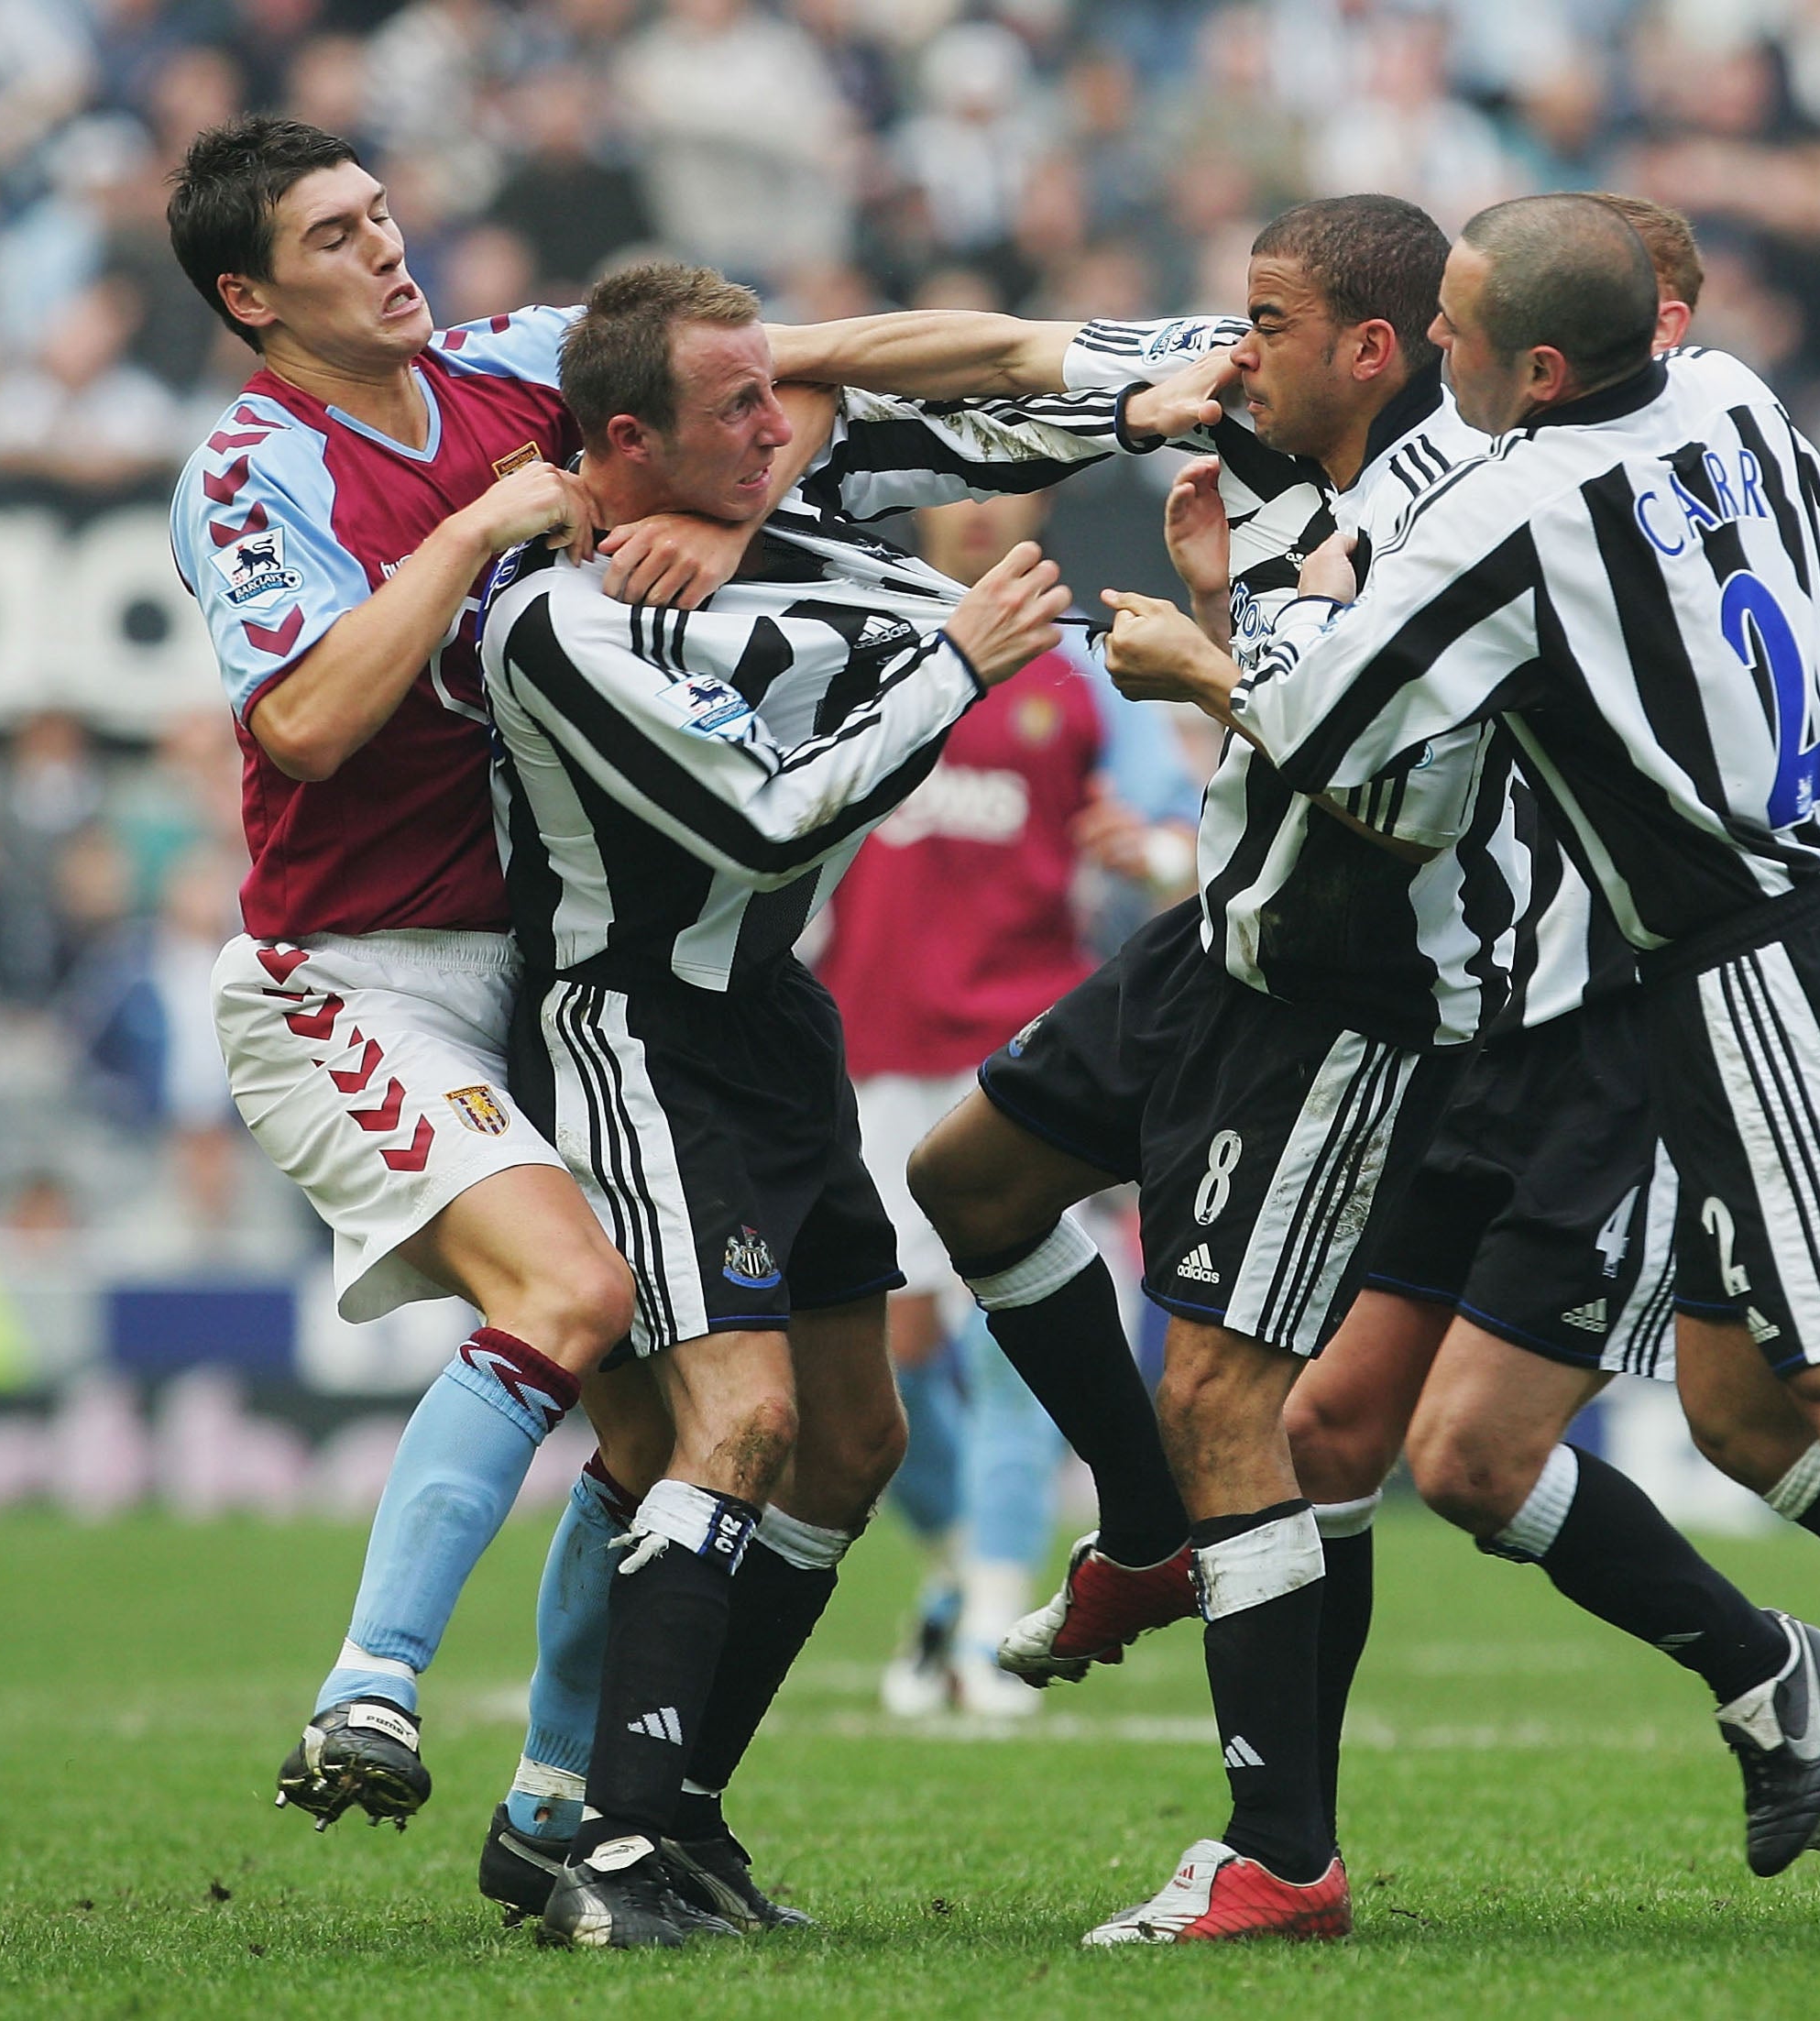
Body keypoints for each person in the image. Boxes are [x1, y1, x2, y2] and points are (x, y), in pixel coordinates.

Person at [1107, 192, 1820, 1956]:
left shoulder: (1504, 512)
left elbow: (1334, 738)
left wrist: (1205, 644)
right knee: (1749, 1411)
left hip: (1754, 968)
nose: (1437, 361)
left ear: (1540, 364)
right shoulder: (1743, 404)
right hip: (1802, 936)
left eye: (1459, 336)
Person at [767, 195, 1546, 1945]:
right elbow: (984, 350)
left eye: (1263, 322)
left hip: (1355, 987)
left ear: (1370, 350)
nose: (1227, 347)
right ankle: (1140, 1519)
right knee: (964, 1181)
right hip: (1222, 939)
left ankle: (1281, 1854)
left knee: (1226, 1399)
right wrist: (775, 353)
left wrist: (1206, 653)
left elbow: (1405, 796)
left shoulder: (1459, 521)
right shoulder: (1252, 417)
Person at [475, 261, 1136, 1947]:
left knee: (853, 1441)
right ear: (626, 439)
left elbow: (946, 450)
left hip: (773, 1025)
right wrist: (961, 660)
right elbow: (767, 821)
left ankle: (675, 1808)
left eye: (779, 396)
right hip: (640, 1033)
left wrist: (1155, 394)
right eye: (741, 410)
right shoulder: (559, 618)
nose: (783, 433)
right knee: (745, 1424)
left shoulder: (761, 539)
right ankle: (603, 1852)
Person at [163, 114, 762, 1832]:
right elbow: (310, 722)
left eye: (381, 213)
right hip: (345, 979)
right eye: (336, 237)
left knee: (656, 1422)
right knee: (573, 1299)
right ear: (249, 296)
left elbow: (785, 363)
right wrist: (483, 527)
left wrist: (1124, 364)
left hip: (529, 982)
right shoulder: (253, 466)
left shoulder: (508, 362)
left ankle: (556, 1807)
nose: (389, 246)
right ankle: (368, 1691)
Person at [1261, 194, 1820, 1884]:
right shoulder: (1494, 468)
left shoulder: (1590, 479)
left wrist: (1261, 634)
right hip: (1483, 1025)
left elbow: (1378, 757)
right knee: (1335, 1428)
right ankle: (1288, 1839)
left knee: (1541, 1441)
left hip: (1616, 1020)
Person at [817, 487, 1201, 1720]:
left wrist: (1139, 850)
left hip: (1020, 1051)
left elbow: (1191, 839)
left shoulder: (1080, 663)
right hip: (873, 1051)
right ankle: (948, 1576)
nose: (979, 512)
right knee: (885, 1367)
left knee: (1010, 1346)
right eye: (955, 489)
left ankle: (991, 1617)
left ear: (1036, 497)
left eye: (1002, 487)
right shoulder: (864, 645)